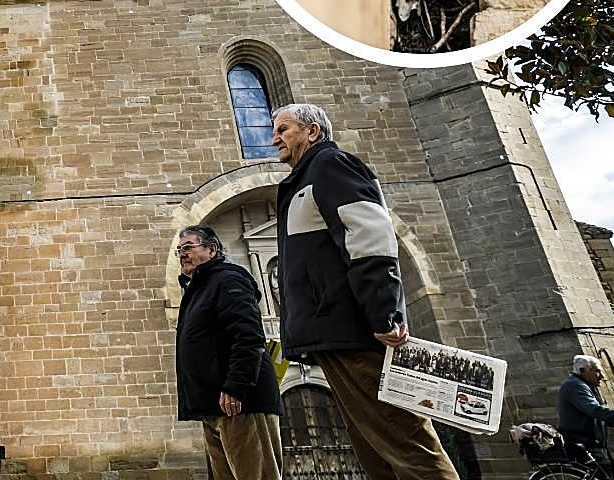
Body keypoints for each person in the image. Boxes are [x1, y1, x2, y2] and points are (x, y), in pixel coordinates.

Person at [272, 103, 459, 480]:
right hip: (333, 334)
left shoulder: (330, 165)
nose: (274, 138)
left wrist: (384, 314)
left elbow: (370, 238)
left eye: (283, 129)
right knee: (373, 448)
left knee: (405, 441)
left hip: (355, 329)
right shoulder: (303, 179)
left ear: (312, 132)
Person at [175, 224, 282, 480]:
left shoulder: (227, 279)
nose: (182, 254)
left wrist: (236, 386)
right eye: (179, 250)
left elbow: (248, 334)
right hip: (213, 407)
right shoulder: (199, 289)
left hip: (240, 403)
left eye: (188, 247)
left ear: (212, 250)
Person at [557, 354, 614, 479]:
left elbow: (602, 417)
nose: (602, 376)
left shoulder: (585, 385)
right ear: (582, 370)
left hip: (595, 446)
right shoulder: (575, 385)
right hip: (586, 446)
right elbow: (596, 411)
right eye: (597, 371)